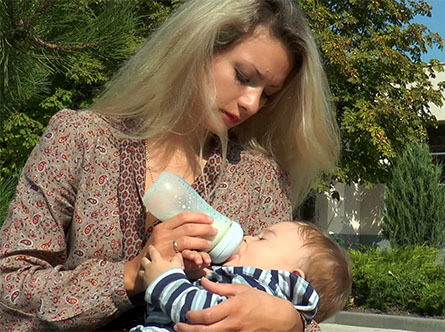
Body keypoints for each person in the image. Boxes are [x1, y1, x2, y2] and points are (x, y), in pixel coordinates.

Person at [0, 0, 340, 331]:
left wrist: (289, 322)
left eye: (268, 94)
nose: (252, 103)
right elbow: (9, 290)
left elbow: (296, 296)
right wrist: (131, 274)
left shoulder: (259, 180)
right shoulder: (80, 140)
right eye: (243, 76)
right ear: (196, 48)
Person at [131, 221, 351, 332]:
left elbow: (202, 313)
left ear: (290, 277)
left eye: (263, 239)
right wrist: (183, 275)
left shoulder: (262, 289)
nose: (247, 237)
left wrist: (164, 279)